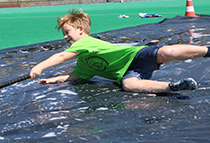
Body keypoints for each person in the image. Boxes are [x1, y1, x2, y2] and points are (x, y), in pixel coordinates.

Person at [29, 8, 210, 93]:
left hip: (136, 56)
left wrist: (39, 67)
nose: (65, 37)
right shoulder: (84, 60)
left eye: (67, 32)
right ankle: (173, 86)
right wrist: (52, 80)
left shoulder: (85, 42)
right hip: (128, 72)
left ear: (80, 30)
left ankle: (206, 50)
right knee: (128, 85)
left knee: (167, 53)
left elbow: (61, 56)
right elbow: (76, 76)